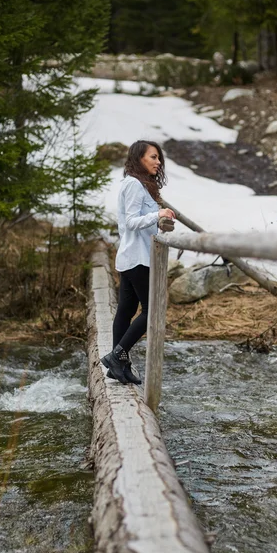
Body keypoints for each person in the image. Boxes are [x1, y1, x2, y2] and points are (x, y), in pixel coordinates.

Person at [100, 140, 176, 385]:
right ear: (139, 158)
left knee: (126, 310)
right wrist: (158, 214)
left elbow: (137, 222)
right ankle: (117, 356)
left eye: (159, 157)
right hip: (137, 258)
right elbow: (132, 221)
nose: (158, 162)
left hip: (132, 256)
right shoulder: (133, 184)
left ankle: (118, 367)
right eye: (153, 157)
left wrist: (159, 219)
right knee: (152, 309)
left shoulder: (140, 185)